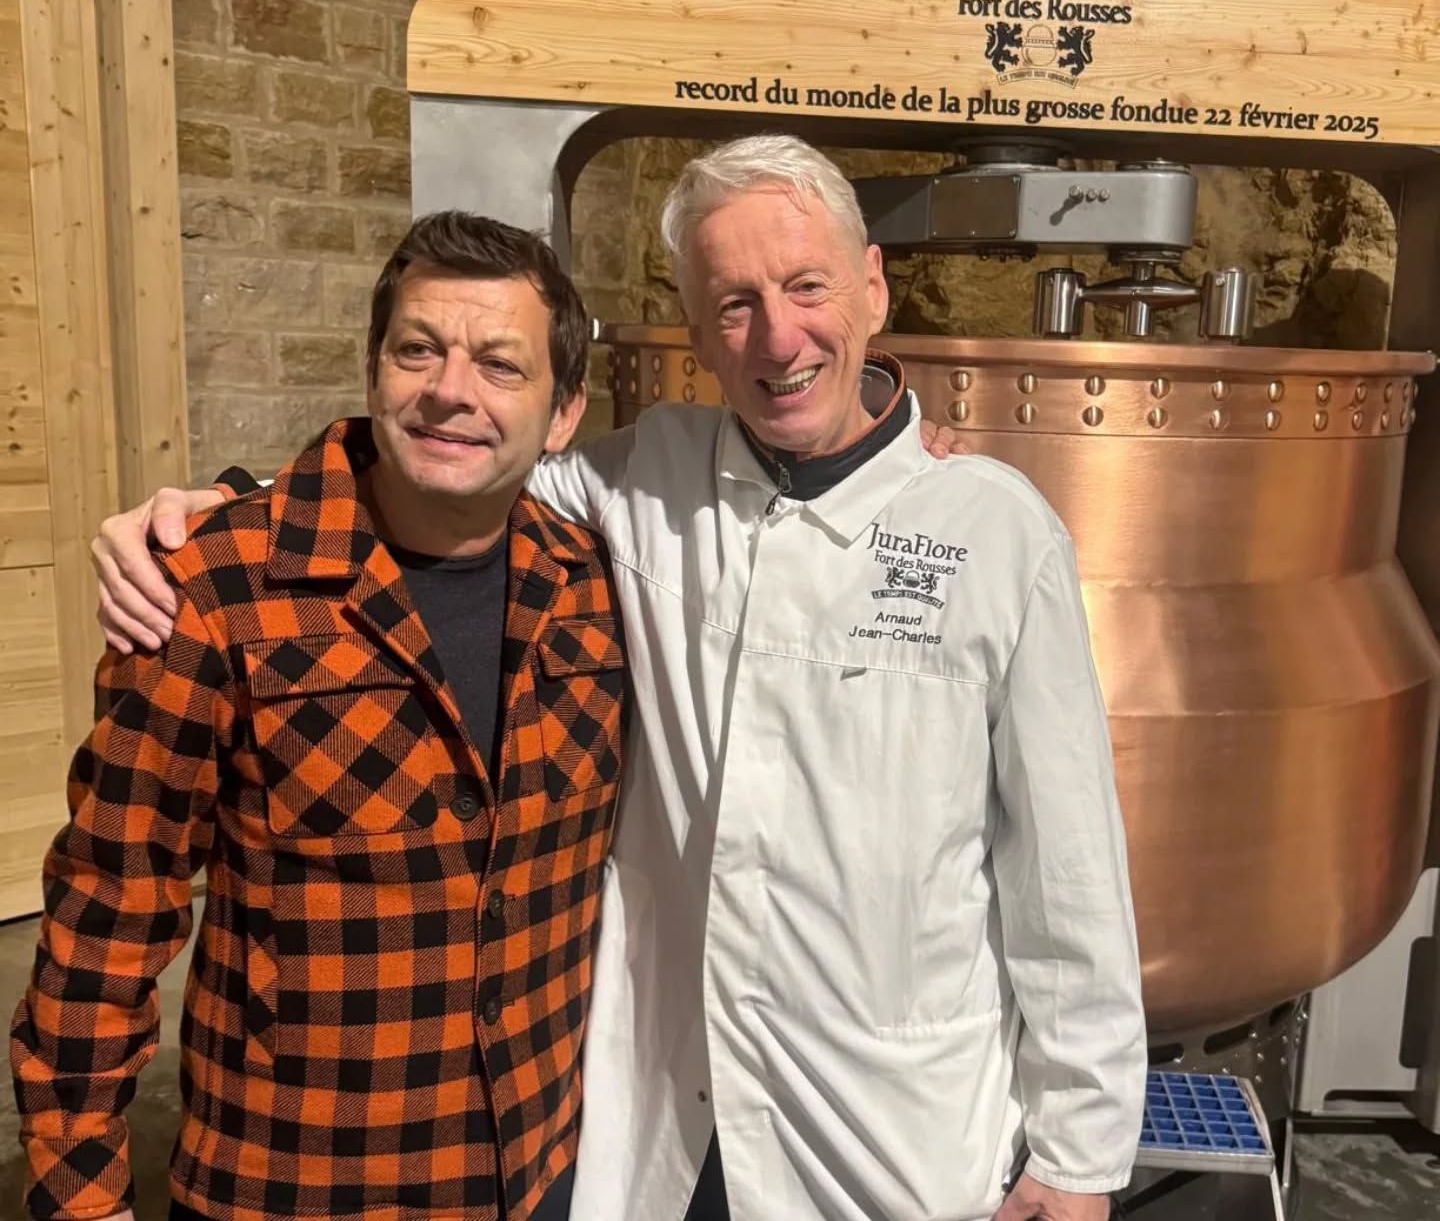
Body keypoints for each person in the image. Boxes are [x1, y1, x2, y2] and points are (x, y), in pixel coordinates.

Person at [89, 136, 1148, 1221]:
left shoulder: (998, 534)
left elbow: (1066, 874)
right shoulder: (645, 478)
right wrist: (223, 506)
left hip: (895, 1132)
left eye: (806, 286)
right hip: (666, 1128)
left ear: (872, 286)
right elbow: (455, 462)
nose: (777, 335)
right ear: (696, 333)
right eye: (733, 303)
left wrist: (1078, 1152)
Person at [11, 213, 628, 1221]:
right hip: (299, 1186)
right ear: (374, 368)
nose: (449, 391)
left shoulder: (597, 591)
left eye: (499, 365)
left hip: (540, 1177)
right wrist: (80, 1193)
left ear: (563, 414)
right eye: (417, 349)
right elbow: (107, 913)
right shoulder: (212, 592)